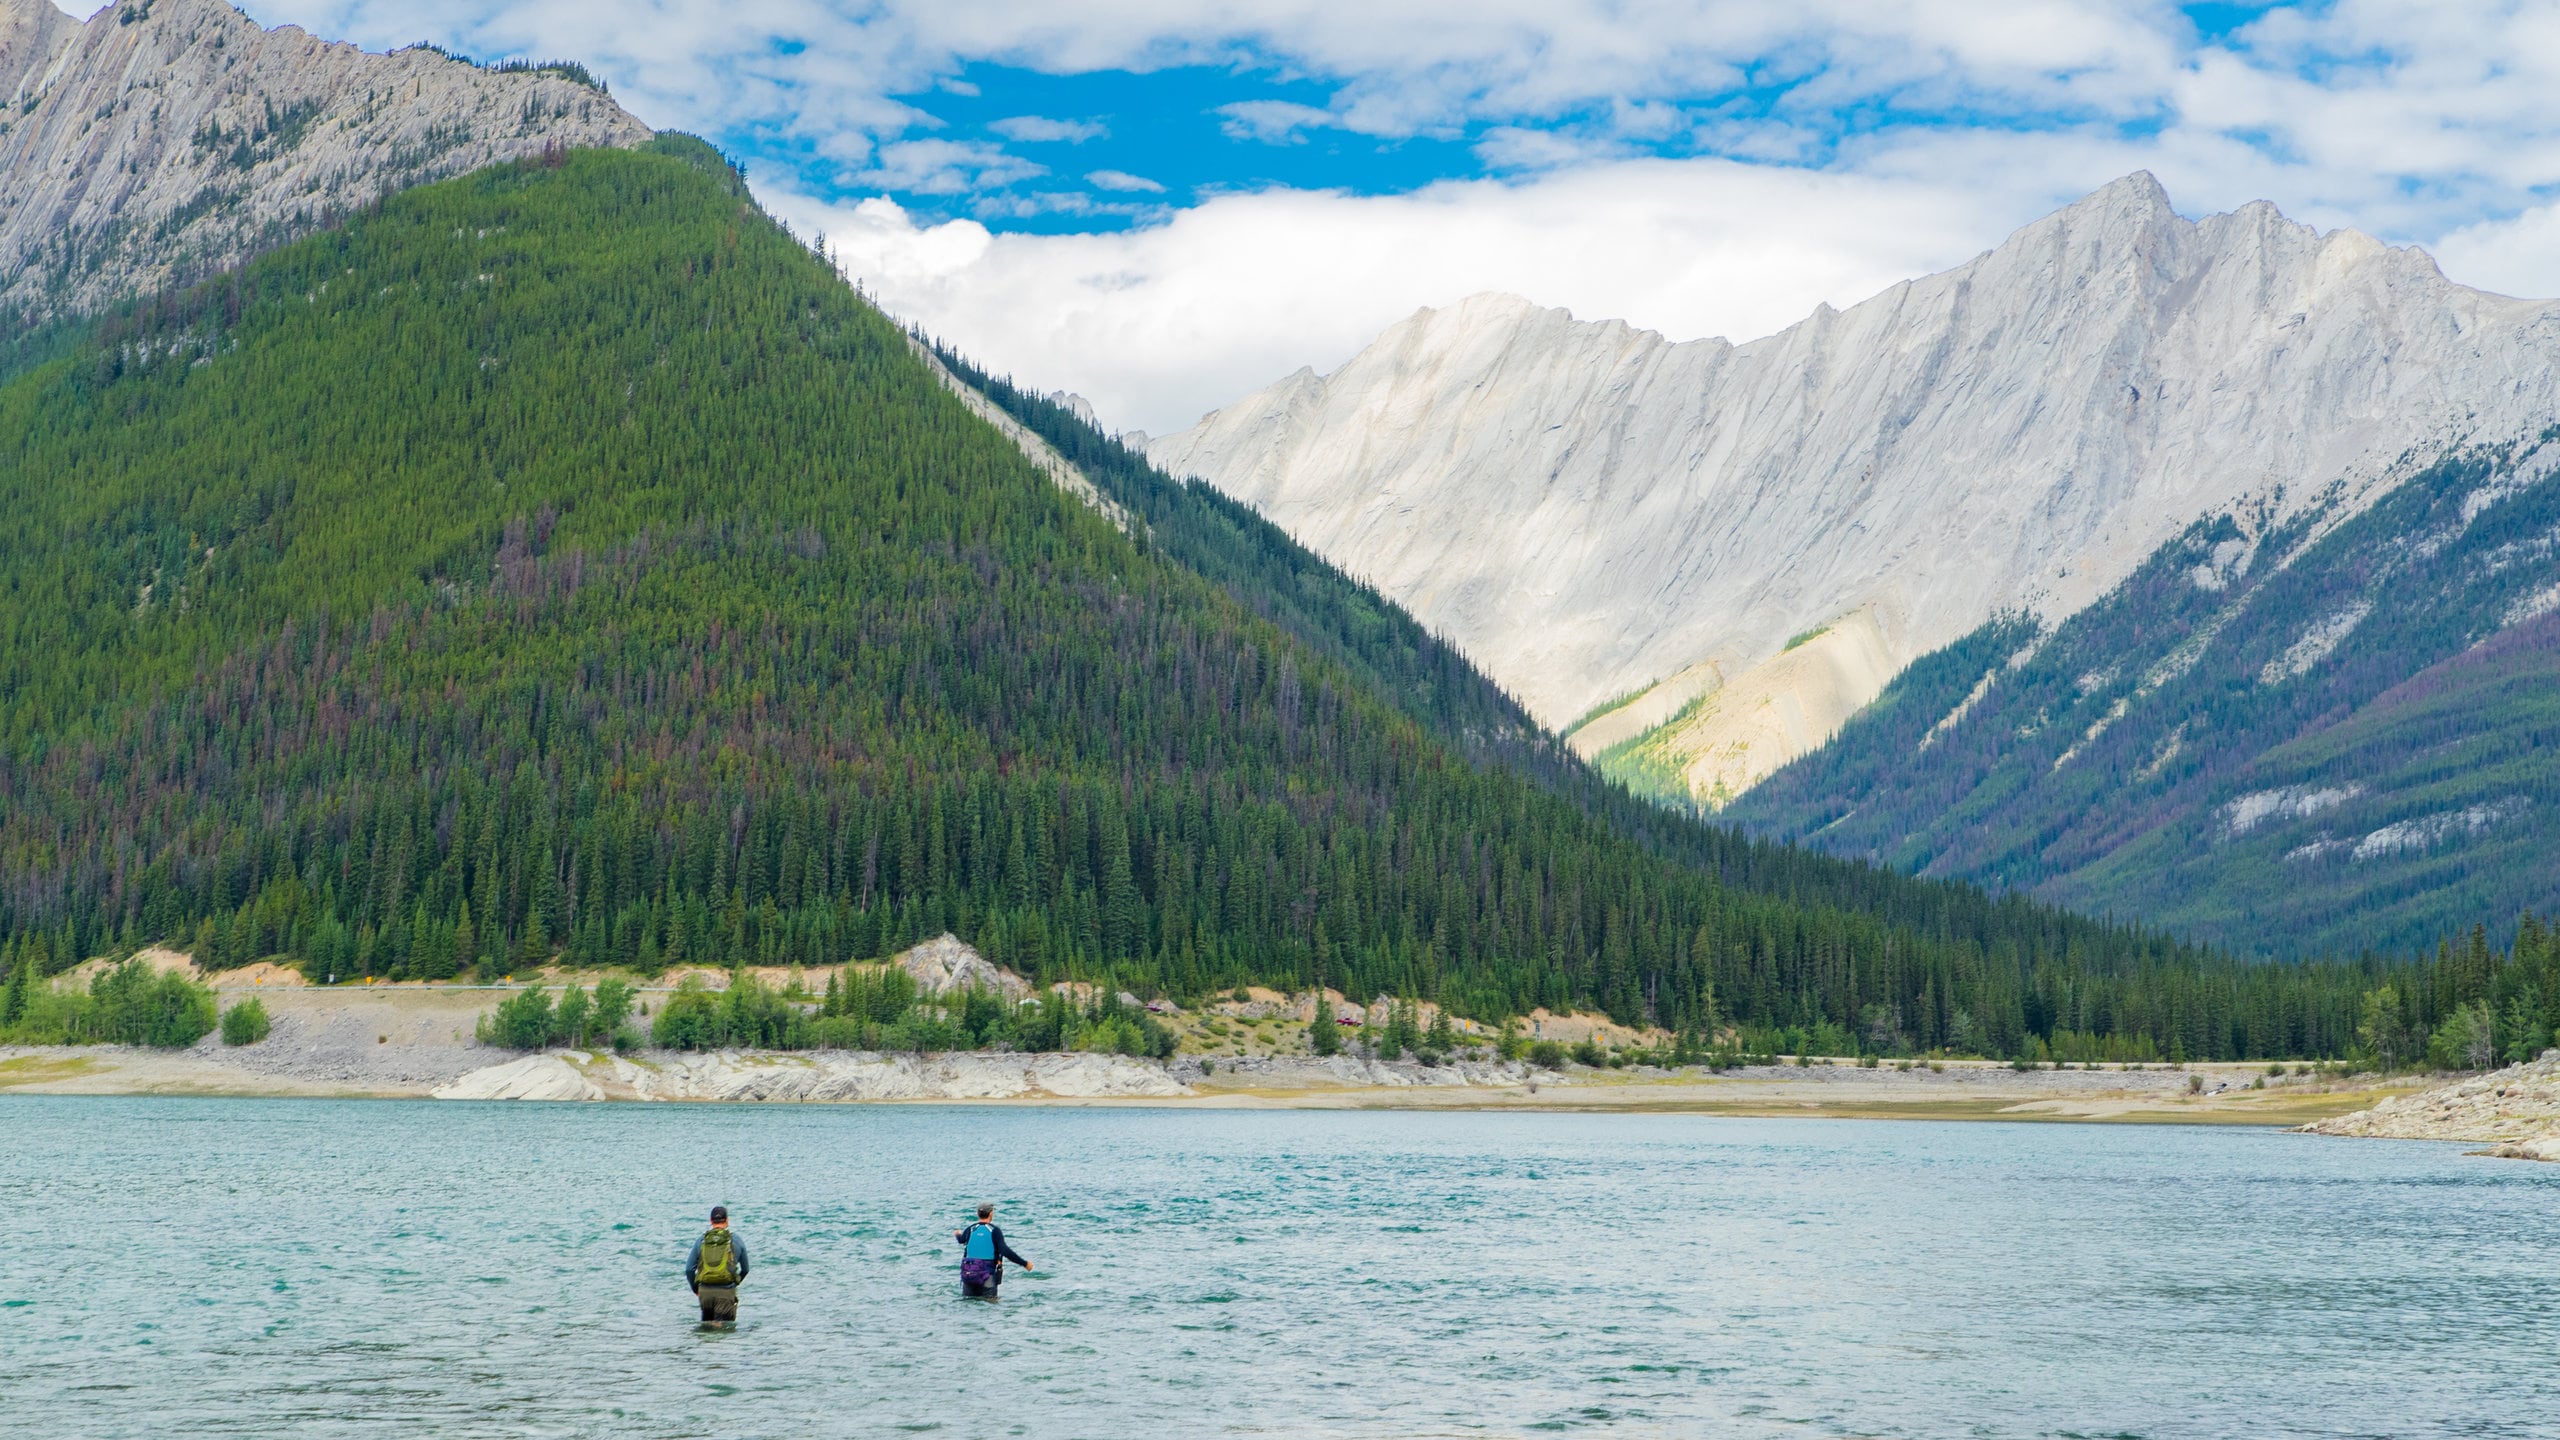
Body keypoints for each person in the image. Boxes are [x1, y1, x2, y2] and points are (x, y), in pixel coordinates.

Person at [954, 1200, 1032, 1300]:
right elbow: (1005, 1251)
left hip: (969, 1275)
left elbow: (961, 1240)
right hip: (987, 1276)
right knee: (991, 1303)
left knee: (969, 1302)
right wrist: (1025, 1264)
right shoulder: (994, 1230)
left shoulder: (970, 1229)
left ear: (977, 1214)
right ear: (991, 1213)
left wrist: (957, 1234)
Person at [687, 1205, 750, 1324]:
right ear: (727, 1221)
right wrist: (735, 1282)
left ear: (711, 1221)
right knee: (725, 1330)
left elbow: (689, 1269)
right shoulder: (736, 1240)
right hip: (726, 1291)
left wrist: (696, 1289)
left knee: (706, 1328)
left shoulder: (701, 1240)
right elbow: (745, 1269)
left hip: (705, 1292)